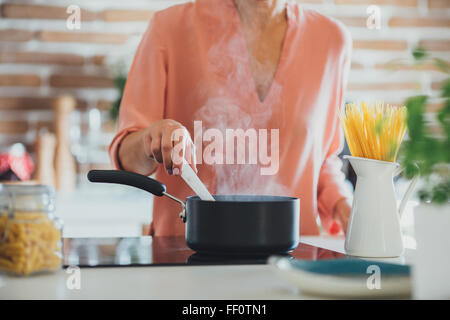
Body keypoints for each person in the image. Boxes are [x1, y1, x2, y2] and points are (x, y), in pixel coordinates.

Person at [109, 0, 352, 237]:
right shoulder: (169, 27)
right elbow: (127, 158)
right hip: (187, 254)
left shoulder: (330, 40)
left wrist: (345, 207)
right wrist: (151, 140)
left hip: (291, 255)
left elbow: (322, 161)